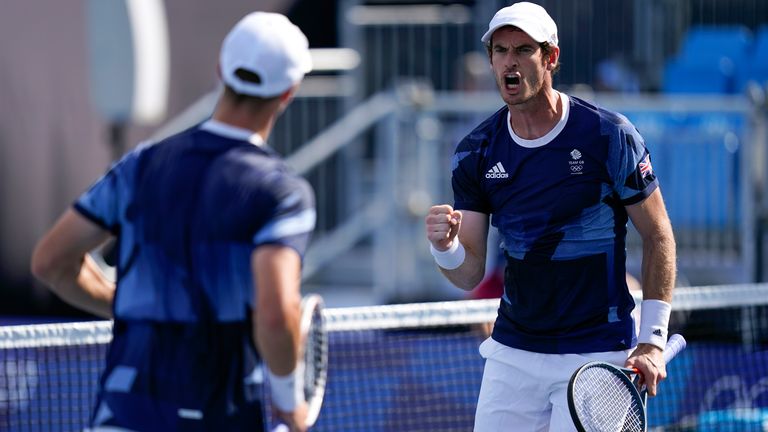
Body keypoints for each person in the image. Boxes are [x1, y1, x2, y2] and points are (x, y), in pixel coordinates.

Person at [31, 11, 315, 432]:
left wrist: (127, 305)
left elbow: (50, 263)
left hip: (123, 416)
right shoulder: (282, 193)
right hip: (223, 416)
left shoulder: (140, 166)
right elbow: (275, 315)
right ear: (288, 93)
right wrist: (290, 404)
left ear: (221, 71)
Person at [424, 3, 677, 430]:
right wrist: (445, 247)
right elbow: (468, 274)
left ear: (551, 58)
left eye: (523, 49)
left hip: (599, 353)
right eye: (501, 50)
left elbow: (658, 235)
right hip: (513, 353)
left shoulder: (609, 135)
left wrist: (652, 339)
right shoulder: (475, 151)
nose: (510, 61)